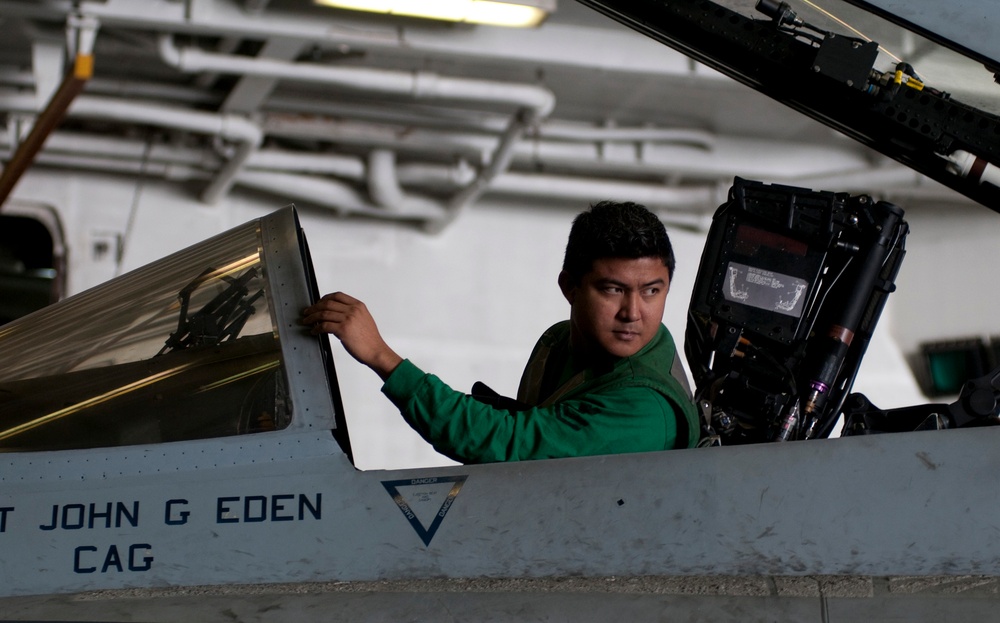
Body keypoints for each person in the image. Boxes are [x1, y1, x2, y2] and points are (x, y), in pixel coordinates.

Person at [301, 201, 700, 463]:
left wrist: (382, 358)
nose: (633, 313)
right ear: (569, 288)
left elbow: (510, 445)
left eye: (652, 291)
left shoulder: (645, 409)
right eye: (613, 289)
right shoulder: (561, 342)